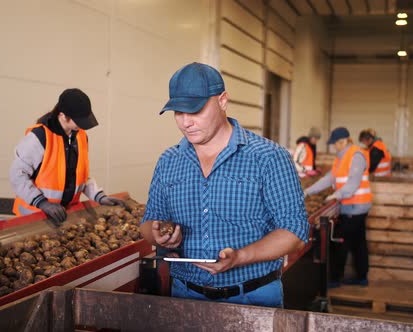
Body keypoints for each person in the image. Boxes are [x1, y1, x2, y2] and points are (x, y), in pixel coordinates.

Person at [140, 62, 309, 308]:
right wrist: (157, 234)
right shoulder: (169, 161)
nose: (186, 122)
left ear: (222, 100)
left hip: (254, 296)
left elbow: (294, 231)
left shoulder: (268, 157)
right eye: (178, 112)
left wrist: (240, 257)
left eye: (195, 111)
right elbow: (149, 220)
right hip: (185, 296)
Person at [10, 88, 124, 224]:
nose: (82, 126)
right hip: (34, 217)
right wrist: (42, 203)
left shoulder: (80, 136)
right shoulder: (39, 137)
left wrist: (98, 196)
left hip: (62, 217)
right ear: (63, 116)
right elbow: (17, 175)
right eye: (79, 121)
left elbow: (80, 176)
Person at [304, 127, 372, 287]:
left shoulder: (356, 155)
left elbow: (353, 184)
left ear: (343, 141)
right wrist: (308, 192)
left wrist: (336, 195)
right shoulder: (340, 157)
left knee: (340, 243)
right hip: (350, 207)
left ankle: (335, 279)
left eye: (335, 144)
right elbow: (329, 179)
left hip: (356, 208)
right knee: (358, 243)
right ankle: (362, 277)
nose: (334, 147)